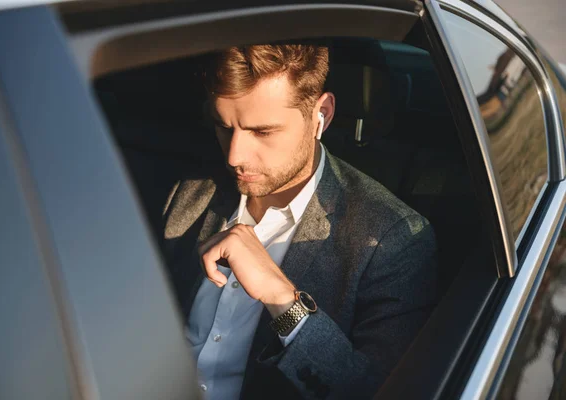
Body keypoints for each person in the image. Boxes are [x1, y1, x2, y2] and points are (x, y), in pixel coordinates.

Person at [161, 42, 438, 400]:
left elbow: (375, 392)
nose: (234, 156)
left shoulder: (392, 240)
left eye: (262, 131)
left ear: (321, 114)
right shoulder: (192, 190)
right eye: (223, 126)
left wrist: (283, 300)